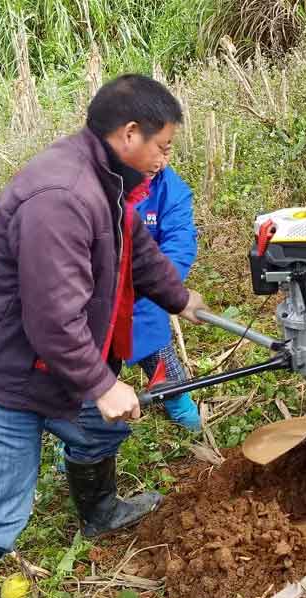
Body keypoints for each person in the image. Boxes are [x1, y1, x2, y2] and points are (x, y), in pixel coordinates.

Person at [0, 74, 206, 598]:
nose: (167, 158)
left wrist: (179, 296)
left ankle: (99, 511)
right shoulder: (62, 194)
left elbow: (135, 246)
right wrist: (100, 381)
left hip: (50, 363)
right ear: (129, 133)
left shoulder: (112, 180)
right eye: (163, 146)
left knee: (98, 425)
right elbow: (52, 319)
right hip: (5, 376)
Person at [128, 155, 202, 431]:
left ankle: (181, 408)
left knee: (162, 363)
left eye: (166, 148)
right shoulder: (98, 184)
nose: (158, 159)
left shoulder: (173, 192)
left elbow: (180, 245)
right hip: (96, 299)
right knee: (84, 378)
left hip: (146, 295)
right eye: (153, 147)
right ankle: (76, 444)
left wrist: (162, 286)